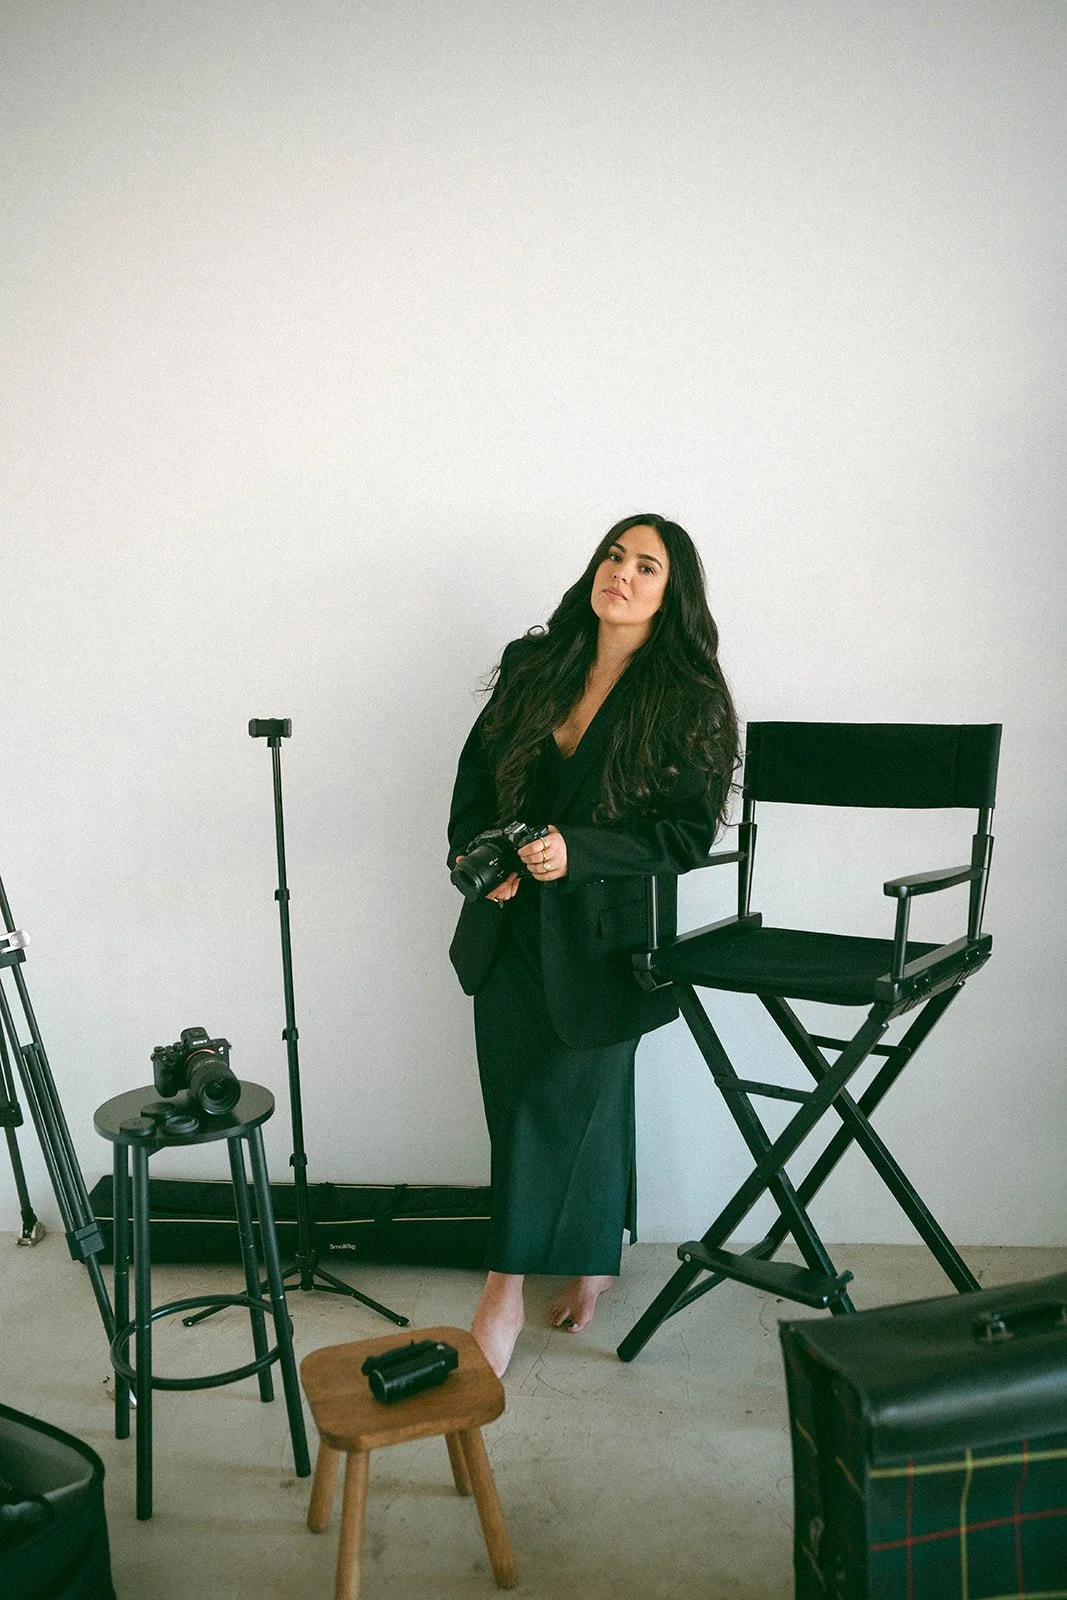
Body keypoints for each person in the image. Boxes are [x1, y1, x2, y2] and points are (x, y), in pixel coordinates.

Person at [446, 514, 738, 1376]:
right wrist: (476, 858)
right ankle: (594, 1261)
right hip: (507, 924)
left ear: (670, 592)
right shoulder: (537, 664)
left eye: (645, 566)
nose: (622, 573)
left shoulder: (688, 696)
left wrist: (582, 853)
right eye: (615, 555)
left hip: (604, 937)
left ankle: (501, 1290)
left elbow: (684, 835)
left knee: (564, 1099)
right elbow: (473, 776)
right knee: (523, 1102)